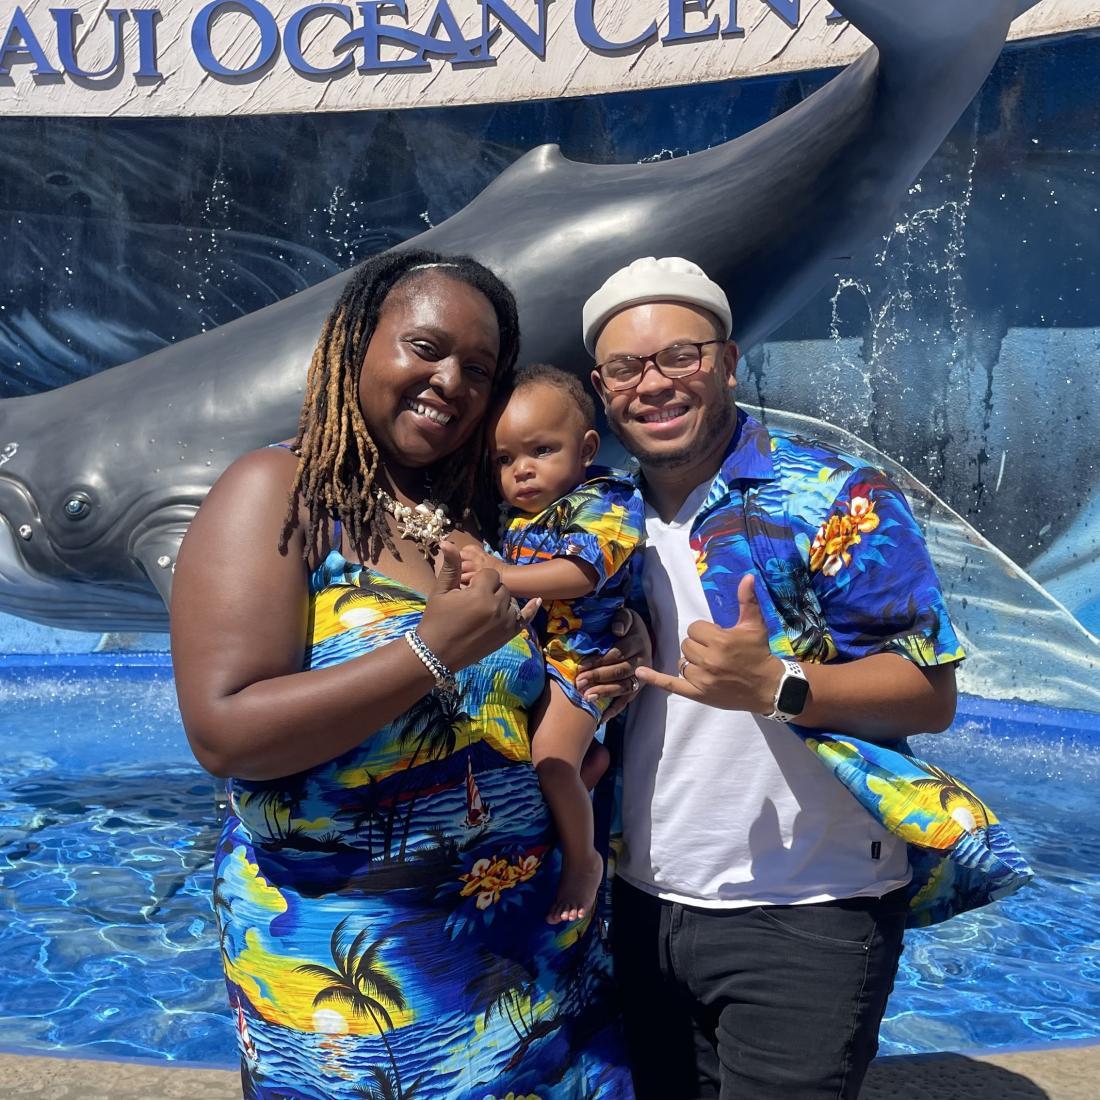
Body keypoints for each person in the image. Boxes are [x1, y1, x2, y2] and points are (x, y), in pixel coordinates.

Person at [170, 250, 640, 1100]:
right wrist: (428, 650)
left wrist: (608, 665)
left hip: (534, 949)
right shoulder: (277, 490)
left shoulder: (480, 519)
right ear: (355, 346)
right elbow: (223, 729)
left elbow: (513, 707)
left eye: (478, 368)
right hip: (359, 983)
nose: (450, 380)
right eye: (425, 348)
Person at [578, 256, 1029, 1100]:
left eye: (682, 355)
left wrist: (781, 686)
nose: (655, 384)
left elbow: (931, 695)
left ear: (729, 362)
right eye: (627, 367)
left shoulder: (834, 497)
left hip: (808, 913)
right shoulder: (600, 518)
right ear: (601, 387)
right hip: (643, 902)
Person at [460, 364, 644, 926]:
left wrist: (497, 572)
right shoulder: (521, 518)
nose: (523, 471)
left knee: (549, 762)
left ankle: (584, 861)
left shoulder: (606, 499)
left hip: (580, 665)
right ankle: (588, 771)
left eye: (542, 450)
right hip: (541, 663)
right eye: (506, 459)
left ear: (587, 447)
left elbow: (581, 573)